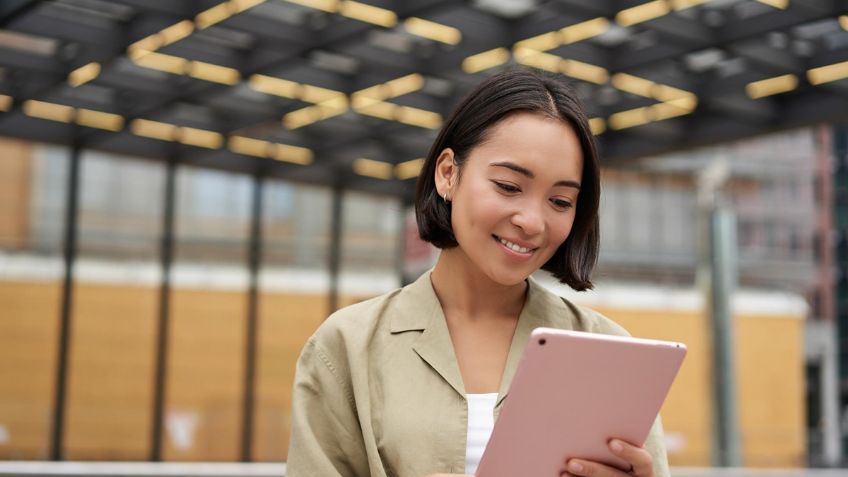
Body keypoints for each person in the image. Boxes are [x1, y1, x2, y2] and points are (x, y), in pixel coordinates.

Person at [286, 68, 670, 477]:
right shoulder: (346, 347)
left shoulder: (608, 352)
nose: (532, 221)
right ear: (448, 173)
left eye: (560, 201)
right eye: (508, 186)